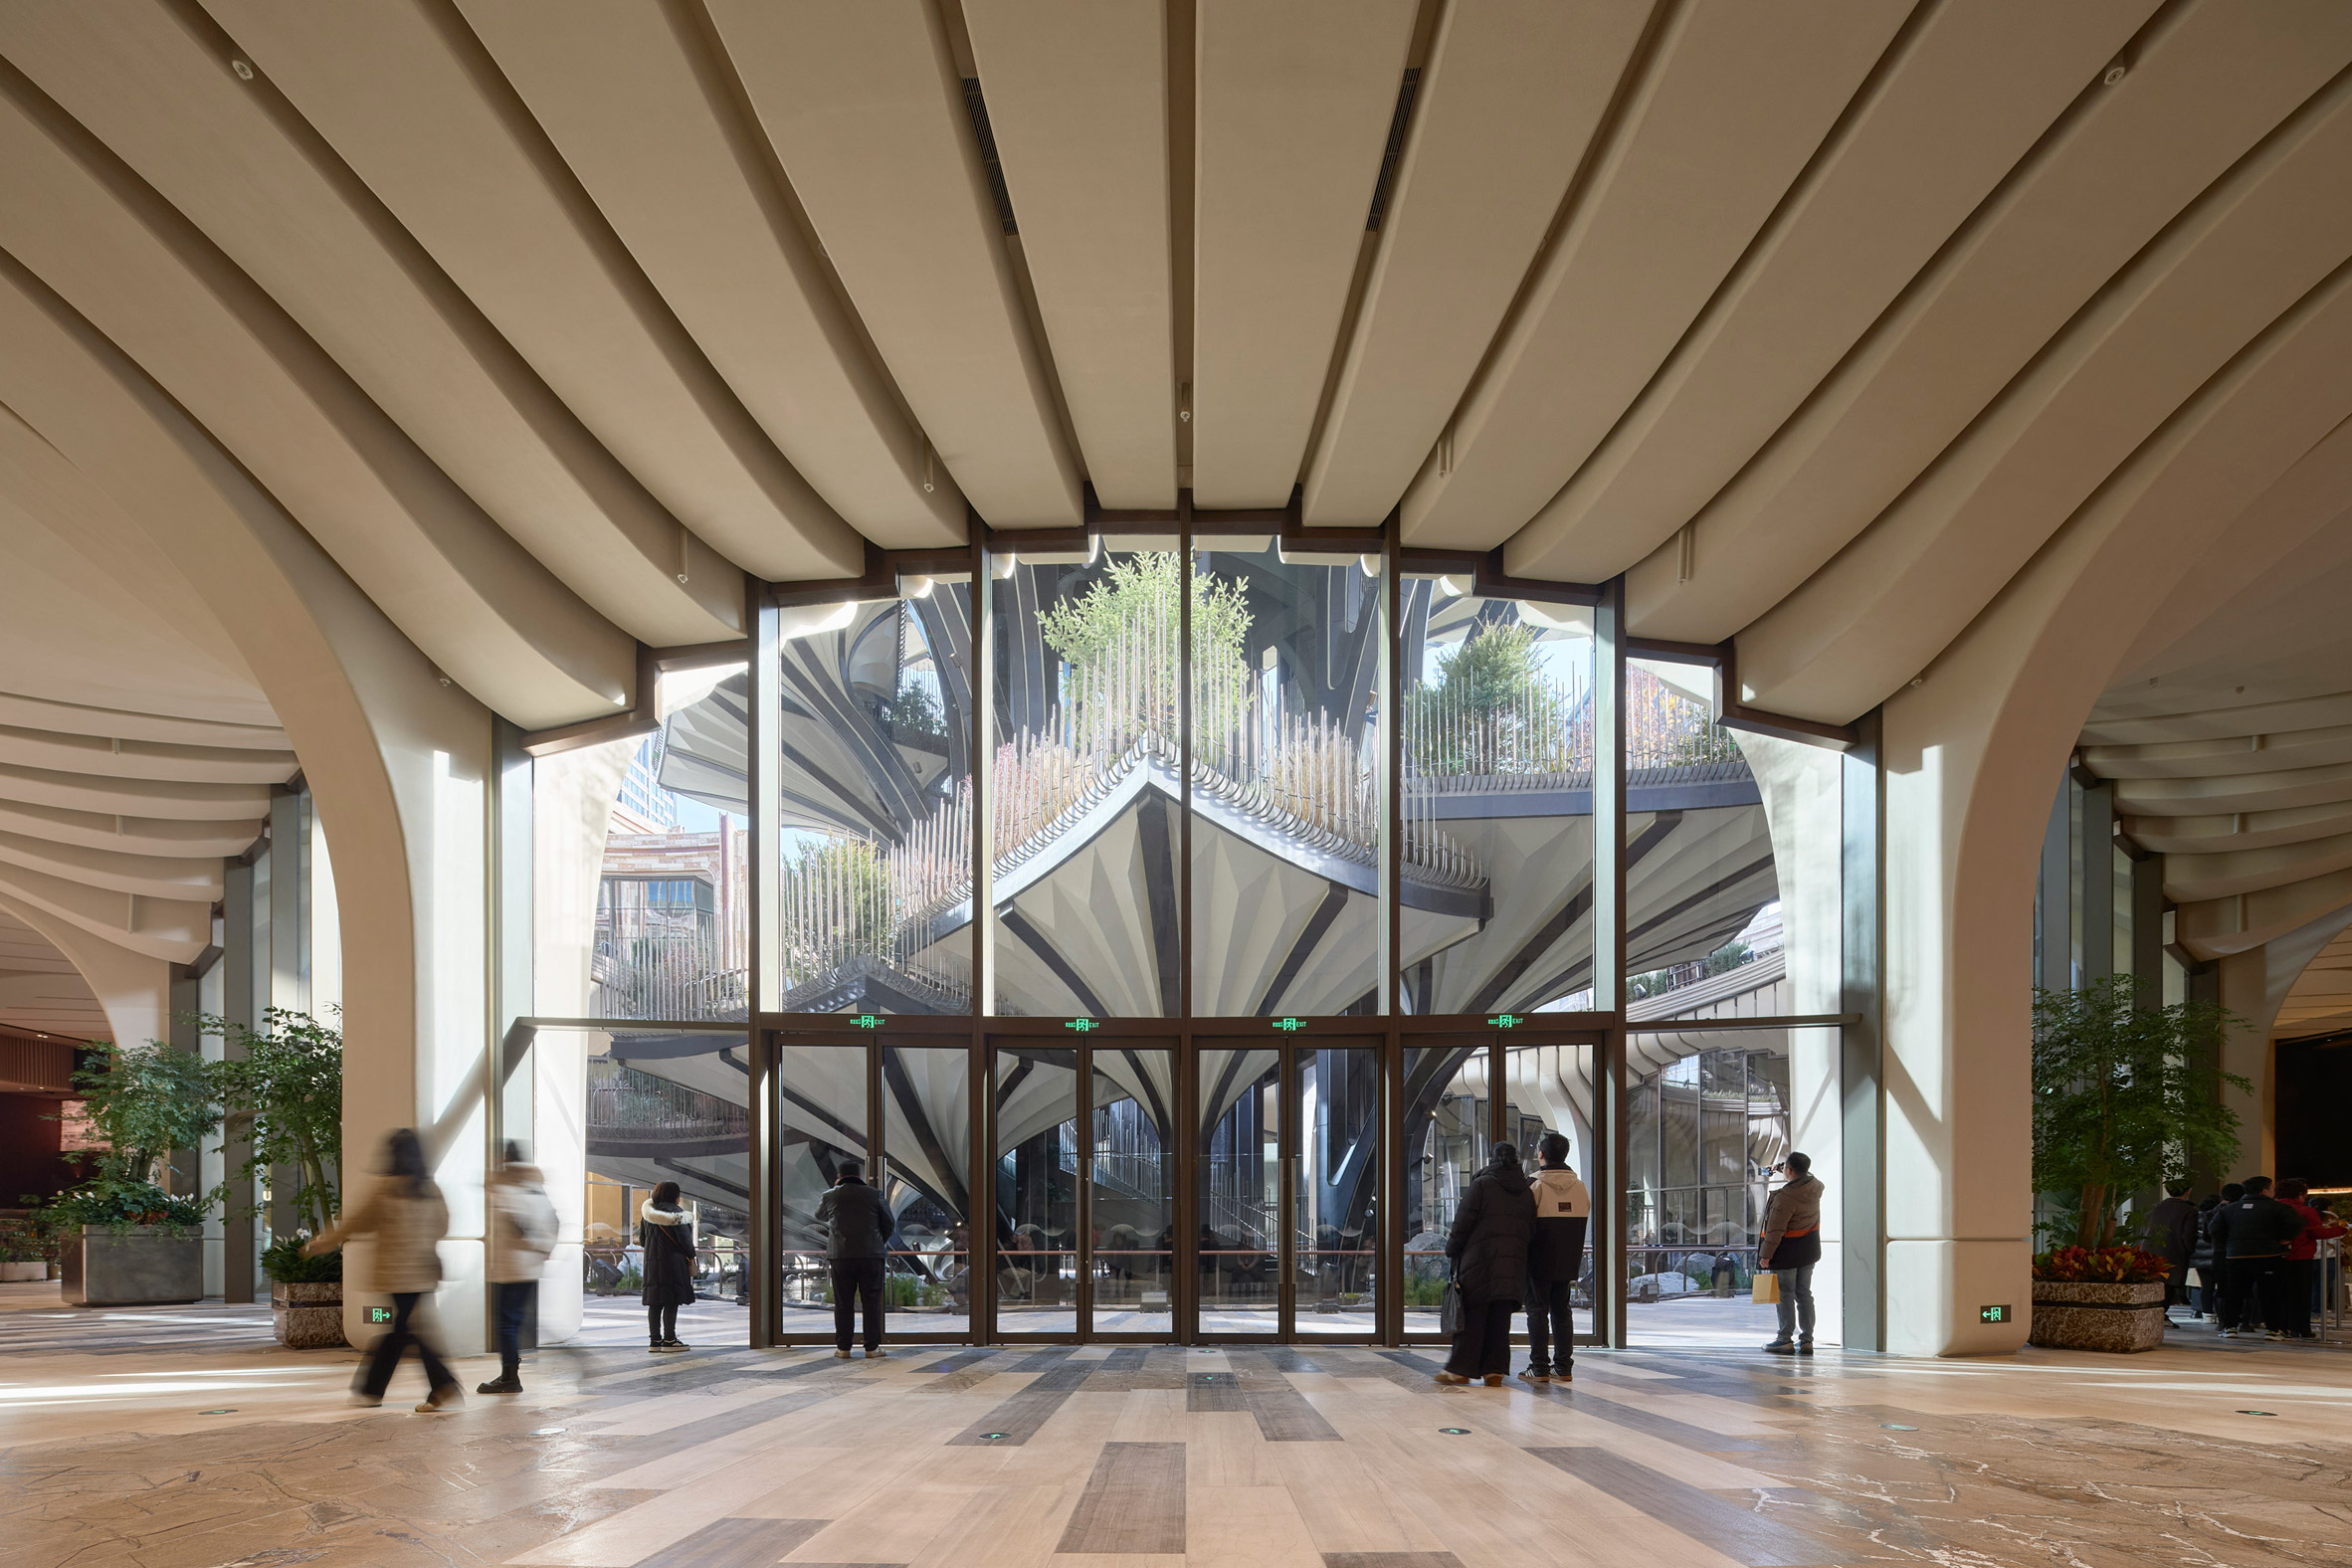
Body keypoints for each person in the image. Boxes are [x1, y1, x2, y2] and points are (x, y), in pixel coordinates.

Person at [306, 1127, 461, 1412]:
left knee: (404, 1332)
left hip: (396, 1274)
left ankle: (434, 1387)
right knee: (405, 1330)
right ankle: (384, 1389)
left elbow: (357, 1221)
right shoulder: (430, 1189)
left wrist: (326, 1241)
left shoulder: (387, 1189)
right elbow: (443, 1225)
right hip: (425, 1271)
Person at [1437, 1141, 1535, 1388]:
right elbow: (1531, 1230)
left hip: (1479, 1264)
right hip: (1512, 1267)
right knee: (1500, 1321)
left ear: (1491, 1160)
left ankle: (1459, 1370)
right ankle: (1495, 1371)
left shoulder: (1482, 1185)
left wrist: (1452, 1249)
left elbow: (1462, 1222)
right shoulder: (1526, 1191)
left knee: (1472, 1318)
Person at [480, 1142, 557, 1393]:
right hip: (531, 1266)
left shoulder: (507, 1186)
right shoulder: (536, 1188)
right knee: (514, 1320)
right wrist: (544, 1248)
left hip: (511, 1266)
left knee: (506, 1322)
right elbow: (554, 1220)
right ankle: (510, 1375)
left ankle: (509, 1377)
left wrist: (531, 1243)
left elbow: (516, 1223)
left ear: (506, 1158)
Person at [1519, 1132, 1589, 1386]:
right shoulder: (1580, 1187)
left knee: (1537, 1311)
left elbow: (1523, 1225)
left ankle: (1539, 1367)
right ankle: (1563, 1367)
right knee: (1562, 1311)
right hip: (1568, 1261)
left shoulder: (1533, 1185)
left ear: (1541, 1155)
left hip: (1537, 1261)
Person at [2209, 1176, 2304, 1341]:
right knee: (2270, 1295)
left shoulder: (2228, 1209)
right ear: (2265, 1191)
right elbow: (2295, 1225)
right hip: (2269, 1256)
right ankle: (2273, 1330)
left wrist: (2230, 1244)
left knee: (2234, 1293)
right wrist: (2283, 1240)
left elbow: (2214, 1229)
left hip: (2236, 1256)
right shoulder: (2278, 1208)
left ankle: (2230, 1327)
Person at [815, 1157, 890, 1358]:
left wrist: (834, 1190)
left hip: (841, 1257)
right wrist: (877, 1241)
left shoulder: (830, 1196)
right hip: (871, 1256)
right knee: (871, 1302)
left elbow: (819, 1215)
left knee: (843, 1303)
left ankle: (843, 1348)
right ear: (859, 1175)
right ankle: (872, 1348)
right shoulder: (874, 1194)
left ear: (839, 1177)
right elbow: (889, 1222)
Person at [1759, 1152, 1825, 1355]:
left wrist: (1765, 1255)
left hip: (1786, 1252)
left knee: (1784, 1295)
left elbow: (1775, 1230)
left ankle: (1784, 1340)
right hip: (1808, 1250)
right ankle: (1807, 1341)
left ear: (1789, 1170)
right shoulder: (1815, 1187)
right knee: (1804, 1294)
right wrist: (1781, 1167)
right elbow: (1805, 1173)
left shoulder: (1785, 1197)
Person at [2276, 1179, 2345, 1340]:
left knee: (2278, 1293)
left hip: (2272, 1256)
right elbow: (2317, 1234)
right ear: (2300, 1194)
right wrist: (2341, 1230)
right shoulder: (2305, 1211)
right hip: (2300, 1256)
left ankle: (2279, 1327)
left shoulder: (2270, 1209)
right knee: (2301, 1294)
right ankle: (2300, 1328)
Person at [639, 1181, 696, 1353]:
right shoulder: (678, 1214)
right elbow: (685, 1241)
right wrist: (692, 1256)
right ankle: (670, 1340)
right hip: (673, 1263)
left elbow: (643, 1240)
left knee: (655, 1302)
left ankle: (655, 1341)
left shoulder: (648, 1214)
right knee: (671, 1300)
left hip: (652, 1263)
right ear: (674, 1196)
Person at [2140, 1180, 2200, 1321]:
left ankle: (2155, 1315)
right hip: (2175, 1252)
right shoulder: (2189, 1211)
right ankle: (2161, 1315)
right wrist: (2190, 1250)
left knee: (2154, 1284)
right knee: (2169, 1285)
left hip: (2150, 1251)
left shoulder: (2154, 1208)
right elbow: (2188, 1235)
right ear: (2189, 1190)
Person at [2205, 1183, 2245, 1330]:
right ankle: (2244, 1321)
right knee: (2242, 1288)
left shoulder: (2212, 1212)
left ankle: (2223, 1321)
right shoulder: (2240, 1212)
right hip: (2239, 1252)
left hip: (2218, 1253)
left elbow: (2206, 1236)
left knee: (2221, 1288)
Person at [2187, 1194, 2224, 1319]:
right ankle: (2220, 1313)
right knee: (2221, 1285)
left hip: (2199, 1257)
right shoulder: (2218, 1216)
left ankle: (2207, 1313)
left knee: (2206, 1285)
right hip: (2216, 1256)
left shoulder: (2194, 1218)